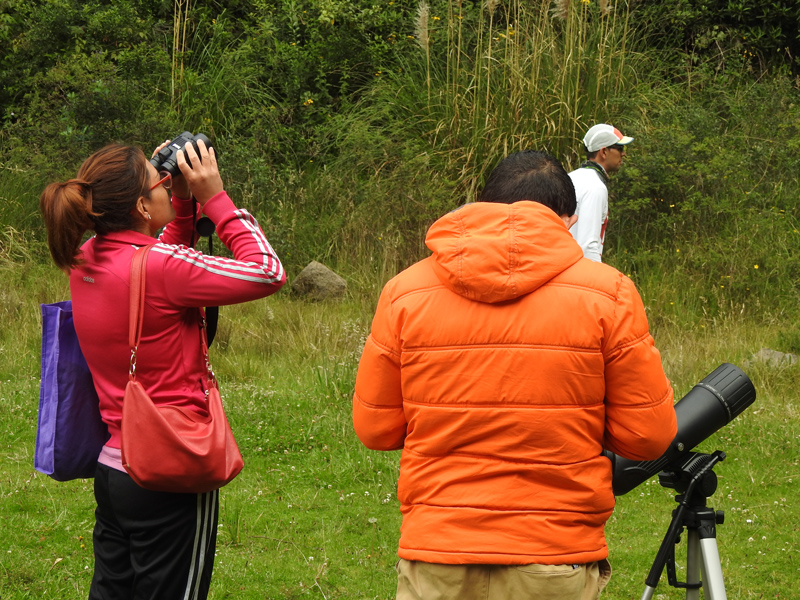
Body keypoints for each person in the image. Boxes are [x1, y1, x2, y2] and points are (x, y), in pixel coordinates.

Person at [352, 150, 676, 600]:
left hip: (440, 552)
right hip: (555, 551)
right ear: (568, 219)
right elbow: (648, 437)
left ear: (484, 204)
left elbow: (376, 429)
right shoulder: (610, 293)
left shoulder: (404, 293)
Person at [39, 139, 285, 600]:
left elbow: (154, 263)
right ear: (139, 204)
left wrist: (183, 207)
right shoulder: (159, 267)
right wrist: (215, 197)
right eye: (160, 184)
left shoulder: (87, 257)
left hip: (115, 468)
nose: (167, 188)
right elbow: (267, 271)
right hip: (171, 468)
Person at [568, 123, 633, 262]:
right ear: (604, 152)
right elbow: (588, 246)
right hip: (579, 272)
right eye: (620, 148)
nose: (623, 153)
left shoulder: (571, 177)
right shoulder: (595, 187)